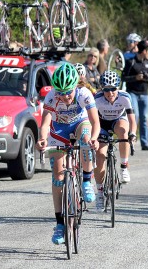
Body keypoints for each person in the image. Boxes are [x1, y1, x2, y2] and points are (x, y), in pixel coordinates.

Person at [36, 63, 100, 245]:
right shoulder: (51, 97)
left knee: (86, 138)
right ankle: (59, 224)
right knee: (57, 176)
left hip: (80, 124)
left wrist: (94, 138)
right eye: (60, 92)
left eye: (68, 92)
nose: (64, 96)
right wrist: (42, 139)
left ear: (75, 86)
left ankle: (87, 180)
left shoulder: (84, 94)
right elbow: (45, 123)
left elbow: (95, 121)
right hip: (59, 131)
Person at [93, 71, 137, 211]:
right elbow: (91, 120)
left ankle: (124, 166)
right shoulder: (97, 99)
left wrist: (133, 134)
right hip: (101, 124)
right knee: (99, 155)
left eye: (113, 89)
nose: (110, 93)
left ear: (118, 88)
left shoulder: (125, 97)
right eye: (106, 89)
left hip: (118, 121)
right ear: (102, 89)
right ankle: (100, 193)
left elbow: (132, 120)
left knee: (124, 133)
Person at [122, 40, 148, 150]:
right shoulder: (131, 62)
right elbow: (123, 77)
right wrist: (135, 78)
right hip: (133, 93)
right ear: (144, 51)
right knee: (135, 116)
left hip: (144, 94)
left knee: (144, 117)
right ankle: (130, 139)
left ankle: (144, 142)